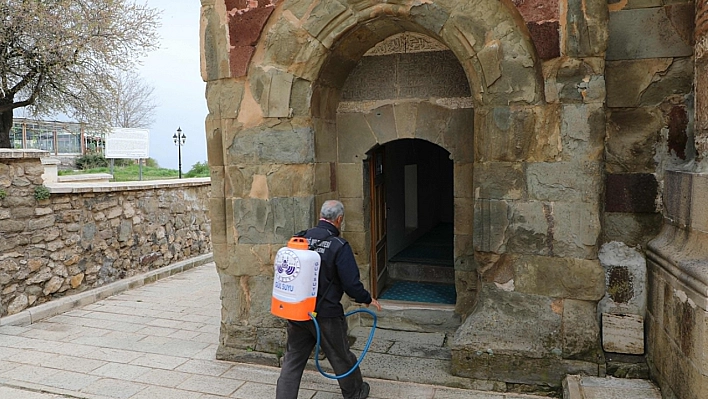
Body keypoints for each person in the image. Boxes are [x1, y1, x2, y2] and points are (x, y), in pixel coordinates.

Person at [276, 200, 382, 399]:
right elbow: (351, 284)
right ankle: (356, 393)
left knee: (292, 360)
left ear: (320, 215)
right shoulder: (339, 245)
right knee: (340, 356)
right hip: (326, 315)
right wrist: (366, 299)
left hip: (298, 312)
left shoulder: (300, 238)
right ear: (339, 219)